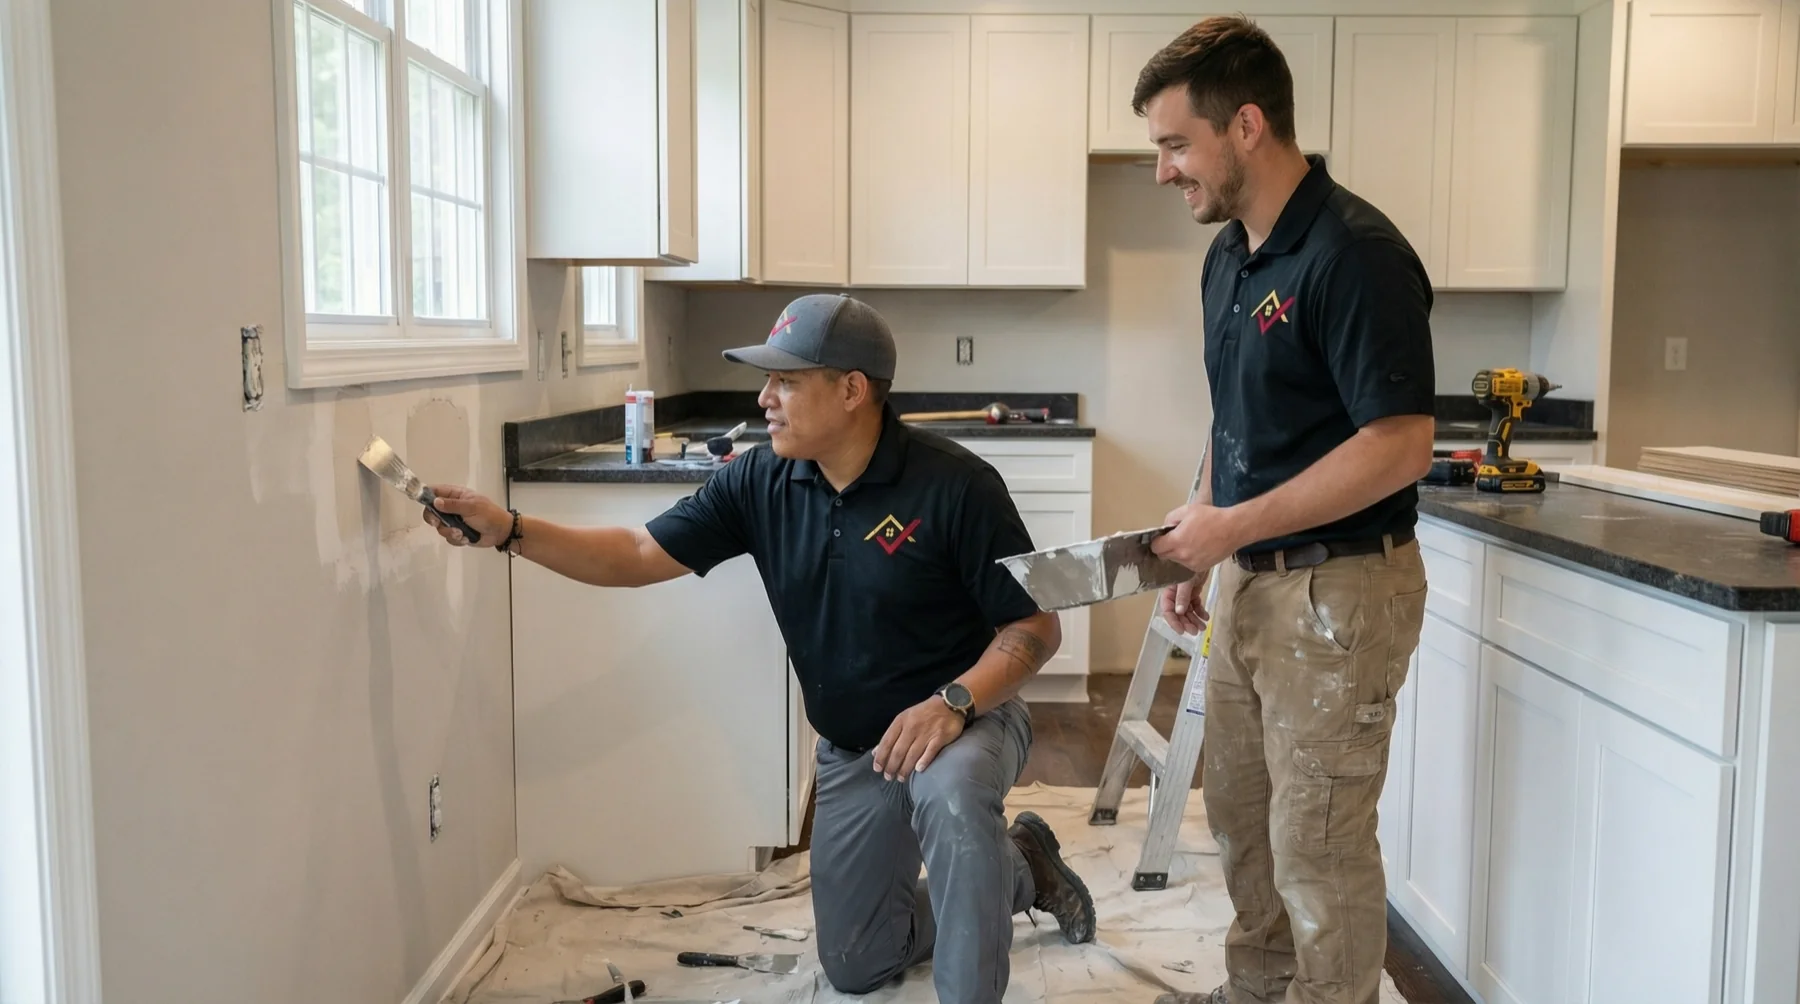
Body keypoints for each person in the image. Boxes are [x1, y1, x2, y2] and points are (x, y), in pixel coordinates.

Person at [420, 293, 1097, 1004]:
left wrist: (951, 704)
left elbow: (1035, 627)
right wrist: (510, 530)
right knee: (859, 961)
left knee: (954, 797)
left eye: (786, 381)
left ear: (851, 391)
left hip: (965, 720)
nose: (764, 397)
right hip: (856, 749)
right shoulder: (761, 479)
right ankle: (1024, 867)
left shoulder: (957, 486)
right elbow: (638, 551)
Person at [1132, 15, 1436, 1004]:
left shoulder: (1354, 254)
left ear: (1247, 124)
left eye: (1176, 143)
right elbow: (1244, 422)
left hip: (1341, 592)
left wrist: (1233, 528)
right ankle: (1260, 985)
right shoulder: (1231, 257)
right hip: (1255, 584)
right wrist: (1199, 530)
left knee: (1320, 841)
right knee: (1243, 814)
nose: (1164, 170)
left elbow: (1399, 442)